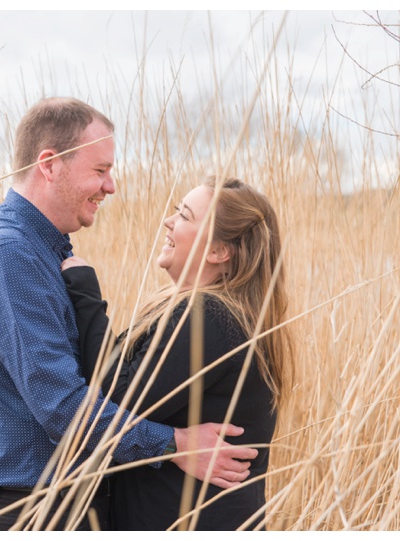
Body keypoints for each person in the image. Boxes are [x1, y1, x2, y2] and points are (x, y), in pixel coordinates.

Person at [0, 98, 258, 531]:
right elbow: (61, 406)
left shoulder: (45, 251)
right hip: (33, 510)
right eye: (100, 170)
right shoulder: (8, 255)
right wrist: (175, 444)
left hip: (67, 506)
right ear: (50, 164)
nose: (110, 186)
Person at [61, 177, 295, 530]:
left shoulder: (209, 317)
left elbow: (120, 397)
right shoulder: (215, 313)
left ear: (219, 251)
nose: (168, 222)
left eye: (184, 216)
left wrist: (86, 295)